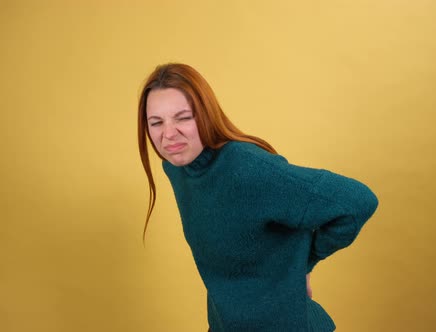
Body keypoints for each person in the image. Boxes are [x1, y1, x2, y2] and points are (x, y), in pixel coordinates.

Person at [137, 63, 379, 332]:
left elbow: (357, 201)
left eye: (183, 117)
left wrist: (303, 264)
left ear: (205, 115)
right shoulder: (178, 168)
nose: (168, 134)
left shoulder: (246, 168)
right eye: (156, 122)